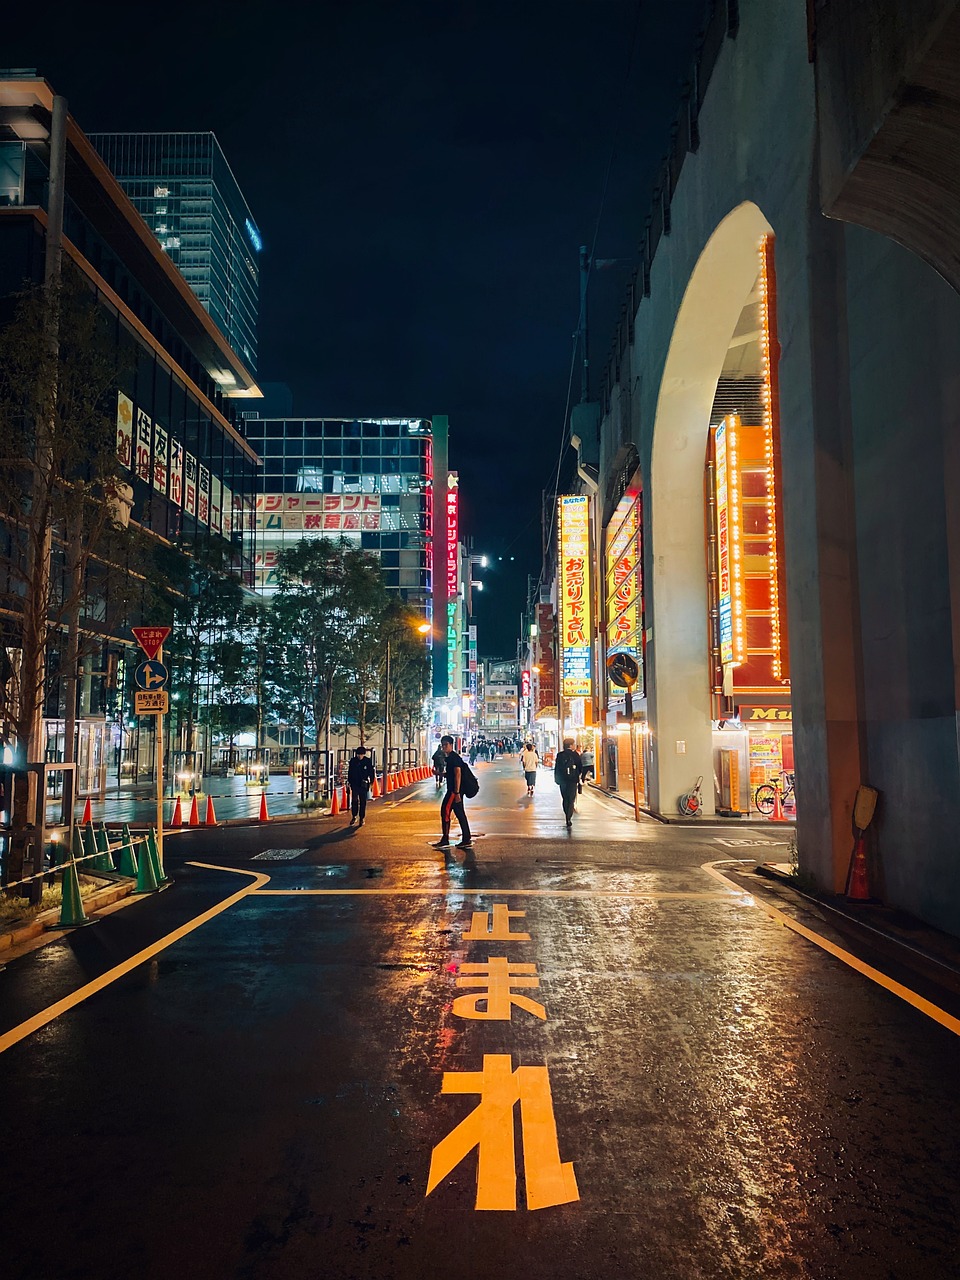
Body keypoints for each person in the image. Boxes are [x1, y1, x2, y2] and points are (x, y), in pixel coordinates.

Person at [432, 734, 473, 852]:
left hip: (453, 791)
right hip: (455, 791)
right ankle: (466, 839)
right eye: (442, 745)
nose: (444, 747)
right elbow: (450, 775)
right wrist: (439, 774)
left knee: (445, 811)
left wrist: (456, 792)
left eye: (446, 745)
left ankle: (445, 840)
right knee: (460, 814)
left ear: (451, 745)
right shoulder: (451, 757)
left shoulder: (453, 758)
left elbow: (457, 774)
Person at [554, 737, 583, 828]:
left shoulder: (560, 755)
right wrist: (577, 776)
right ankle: (568, 817)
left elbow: (557, 768)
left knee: (565, 798)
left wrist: (557, 779)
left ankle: (566, 813)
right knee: (571, 799)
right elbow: (580, 767)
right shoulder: (575, 755)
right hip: (572, 781)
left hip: (563, 781)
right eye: (574, 744)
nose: (575, 746)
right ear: (571, 745)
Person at [347, 745, 376, 827]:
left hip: (363, 784)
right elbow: (350, 772)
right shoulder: (353, 761)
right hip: (354, 783)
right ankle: (354, 816)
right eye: (358, 754)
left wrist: (371, 782)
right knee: (354, 801)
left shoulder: (367, 761)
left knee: (363, 801)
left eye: (361, 754)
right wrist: (349, 782)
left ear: (364, 754)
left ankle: (362, 818)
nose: (359, 756)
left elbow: (371, 772)